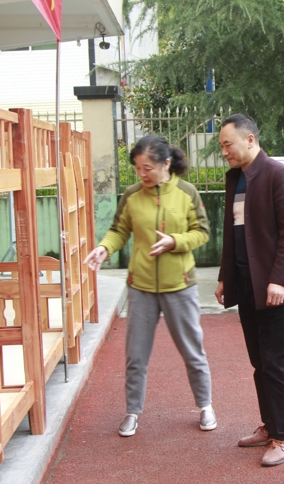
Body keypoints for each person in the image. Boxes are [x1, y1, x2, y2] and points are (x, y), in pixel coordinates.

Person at [83, 135, 216, 437]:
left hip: (180, 285)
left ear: (166, 164)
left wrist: (175, 242)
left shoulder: (187, 192)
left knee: (193, 351)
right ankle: (132, 411)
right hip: (141, 287)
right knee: (136, 355)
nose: (142, 174)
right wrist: (104, 248)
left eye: (148, 168)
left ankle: (205, 405)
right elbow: (119, 230)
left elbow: (202, 232)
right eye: (138, 168)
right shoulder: (132, 195)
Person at [215, 114, 284, 467]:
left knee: (275, 362)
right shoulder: (236, 178)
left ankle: (283, 437)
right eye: (222, 146)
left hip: (274, 287)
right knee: (259, 362)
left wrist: (279, 279)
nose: (224, 151)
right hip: (245, 283)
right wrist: (225, 277)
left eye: (228, 144)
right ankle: (269, 425)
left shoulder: (278, 175)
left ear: (250, 140)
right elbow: (232, 233)